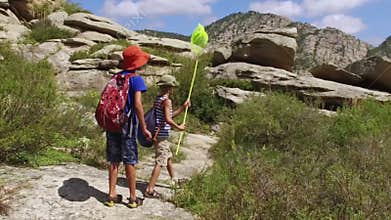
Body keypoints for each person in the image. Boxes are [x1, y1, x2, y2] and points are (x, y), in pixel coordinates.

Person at [104, 46, 152, 208]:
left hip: (112, 124)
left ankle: (111, 195)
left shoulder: (115, 77)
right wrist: (144, 127)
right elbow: (137, 104)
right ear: (138, 63)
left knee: (113, 159)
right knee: (129, 160)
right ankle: (132, 198)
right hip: (127, 125)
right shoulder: (136, 79)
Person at [144, 75, 190, 198]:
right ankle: (150, 189)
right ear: (169, 88)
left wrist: (182, 108)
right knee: (160, 161)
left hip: (157, 134)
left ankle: (174, 179)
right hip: (161, 135)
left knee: (167, 156)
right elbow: (169, 119)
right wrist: (179, 127)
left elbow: (167, 116)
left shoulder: (159, 99)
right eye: (172, 87)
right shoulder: (167, 101)